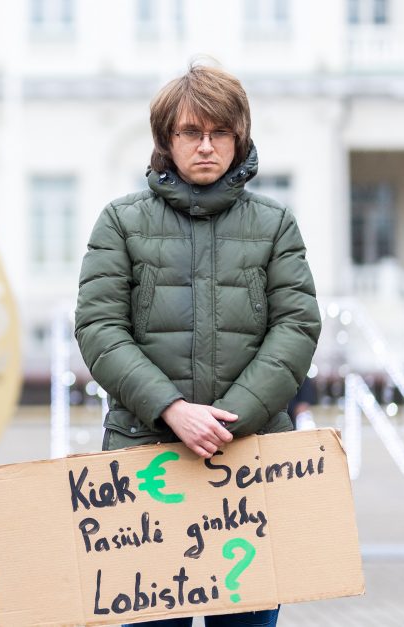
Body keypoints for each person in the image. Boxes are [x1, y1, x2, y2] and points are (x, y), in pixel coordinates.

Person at [74, 62, 322, 627]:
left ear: (240, 138)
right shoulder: (120, 222)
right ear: (167, 140)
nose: (206, 146)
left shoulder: (276, 224)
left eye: (220, 133)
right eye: (190, 132)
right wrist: (173, 410)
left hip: (249, 462)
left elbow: (297, 328)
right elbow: (99, 327)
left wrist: (226, 423)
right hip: (146, 462)